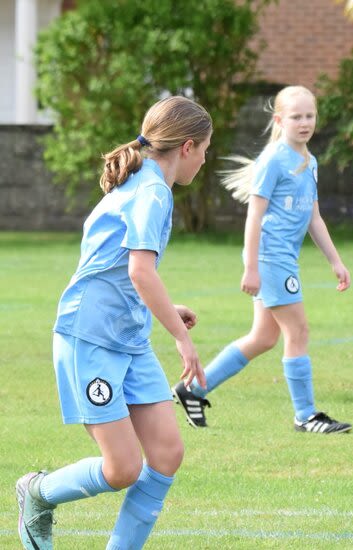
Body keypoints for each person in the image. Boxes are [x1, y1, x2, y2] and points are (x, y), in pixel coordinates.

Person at [15, 97, 212, 550]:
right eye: (204, 149)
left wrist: (164, 308)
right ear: (187, 147)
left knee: (165, 454)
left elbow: (122, 268)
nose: (204, 160)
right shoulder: (150, 191)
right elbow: (139, 271)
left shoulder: (144, 179)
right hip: (90, 337)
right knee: (121, 468)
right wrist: (182, 339)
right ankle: (37, 494)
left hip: (127, 336)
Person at [172, 85, 352, 434]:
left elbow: (314, 217)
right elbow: (254, 216)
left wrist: (335, 261)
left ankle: (193, 390)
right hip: (271, 260)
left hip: (283, 259)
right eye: (296, 116)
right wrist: (251, 267)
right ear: (279, 120)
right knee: (298, 331)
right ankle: (306, 416)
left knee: (263, 338)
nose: (304, 123)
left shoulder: (310, 162)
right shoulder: (273, 160)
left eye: (310, 116)